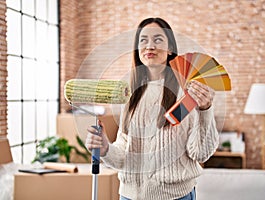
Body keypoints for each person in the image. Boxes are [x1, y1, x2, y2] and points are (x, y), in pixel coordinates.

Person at [85, 17, 219, 200]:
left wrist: (206, 109)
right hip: (129, 195)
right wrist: (106, 148)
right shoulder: (130, 94)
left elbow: (200, 153)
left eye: (158, 40)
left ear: (170, 48)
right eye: (143, 40)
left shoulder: (186, 92)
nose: (149, 46)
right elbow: (125, 154)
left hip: (175, 197)